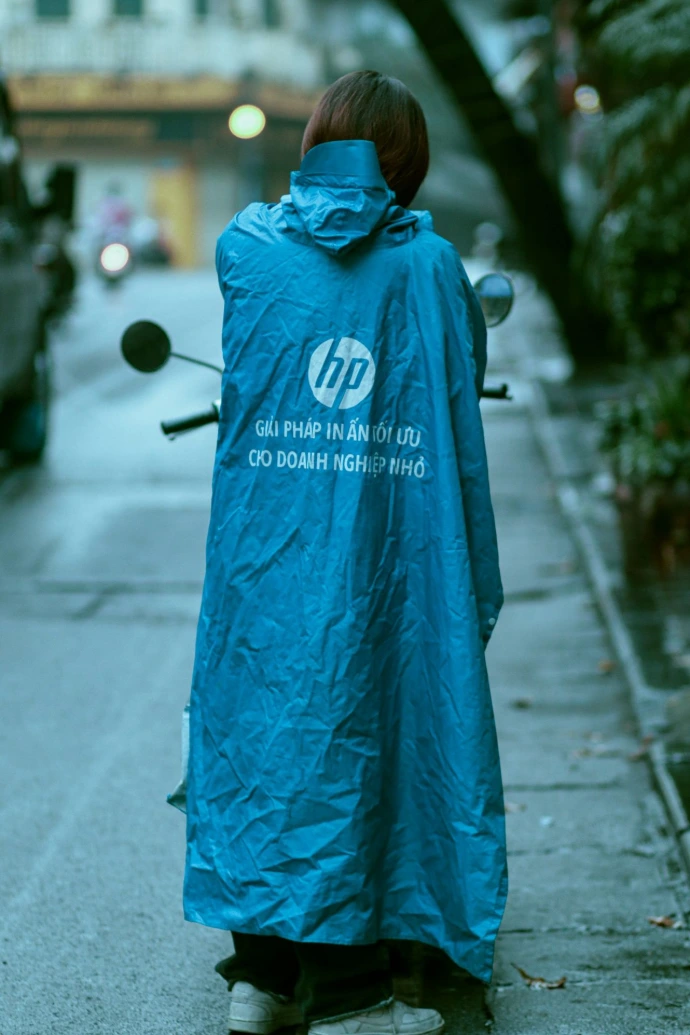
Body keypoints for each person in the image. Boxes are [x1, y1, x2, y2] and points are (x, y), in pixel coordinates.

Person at [183, 70, 507, 1035]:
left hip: (266, 558)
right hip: (390, 552)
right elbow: (460, 383)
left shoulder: (244, 245)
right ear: (406, 164)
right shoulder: (430, 268)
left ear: (315, 142)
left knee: (262, 730)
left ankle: (263, 975)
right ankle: (363, 983)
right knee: (390, 723)